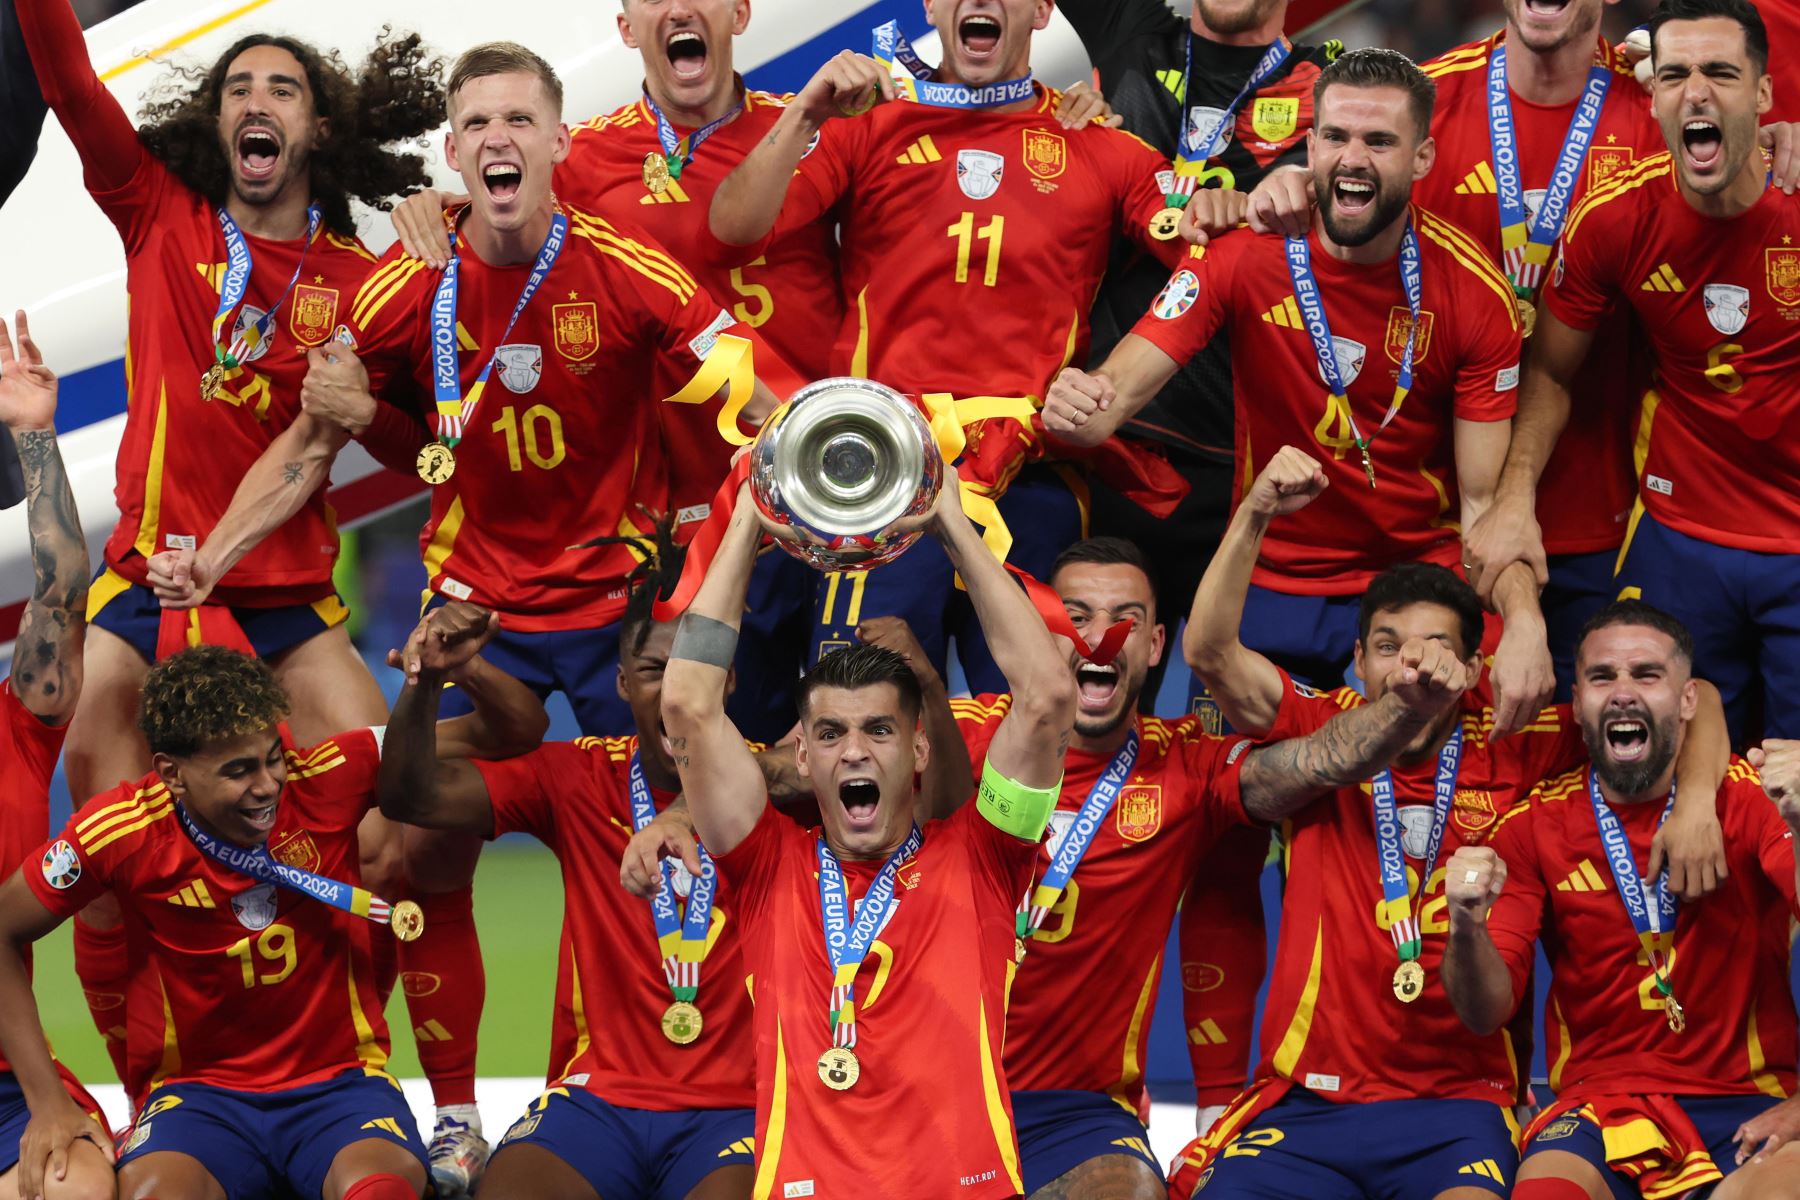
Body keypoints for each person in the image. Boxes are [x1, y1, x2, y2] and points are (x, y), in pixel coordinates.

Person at [157, 40, 784, 1191]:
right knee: (410, 835)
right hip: (476, 613)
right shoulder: (406, 291)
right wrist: (215, 558)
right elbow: (309, 443)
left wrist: (851, 445)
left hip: (611, 612)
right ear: (454, 153)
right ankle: (452, 1114)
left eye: (518, 120)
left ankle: (645, 1090)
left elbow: (752, 382)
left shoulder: (628, 271)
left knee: (676, 854)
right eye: (476, 122)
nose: (497, 138)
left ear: (558, 143)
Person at [13, 0, 445, 1128]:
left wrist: (372, 412)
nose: (255, 102)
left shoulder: (362, 278)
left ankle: (367, 1078)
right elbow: (68, 83)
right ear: (217, 128)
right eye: (237, 90)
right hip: (142, 591)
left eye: (281, 90)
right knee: (110, 867)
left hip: (290, 601)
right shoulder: (159, 211)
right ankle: (157, 1095)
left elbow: (427, 450)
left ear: (317, 131)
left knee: (396, 832)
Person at [1164, 447, 1730, 1200]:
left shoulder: (1517, 739)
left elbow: (1698, 703)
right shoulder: (1322, 724)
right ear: (1358, 660)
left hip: (1461, 1105)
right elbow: (1206, 650)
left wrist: (1694, 804)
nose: (1410, 665)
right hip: (1309, 1102)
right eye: (1388, 647)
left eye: (1435, 648)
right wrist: (1256, 513)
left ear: (1471, 668)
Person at [950, 535, 1502, 1199]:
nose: (1099, 639)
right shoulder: (953, 739)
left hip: (1078, 1111)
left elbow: (1317, 762)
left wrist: (1507, 623)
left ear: (1154, 647)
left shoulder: (1189, 766)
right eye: (1075, 617)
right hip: (933, 1085)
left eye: (1124, 619)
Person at [1046, 47, 1554, 736]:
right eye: (1337, 137)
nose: (1354, 158)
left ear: (1423, 158)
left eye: (1380, 141)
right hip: (1268, 576)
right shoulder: (1239, 252)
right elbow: (1110, 401)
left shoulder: (1474, 294)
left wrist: (1525, 622)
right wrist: (1076, 399)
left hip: (1409, 582)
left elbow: (1485, 508)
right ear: (1309, 145)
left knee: (1438, 779)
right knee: (1234, 801)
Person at [706, 2, 1187, 696]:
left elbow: (1210, 264)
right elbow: (733, 229)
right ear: (931, 5)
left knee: (1035, 715)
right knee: (863, 713)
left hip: (1031, 480)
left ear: (1043, 9)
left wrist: (1115, 383)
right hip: (880, 479)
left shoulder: (1102, 144)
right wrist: (807, 113)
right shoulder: (866, 125)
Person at [658, 463, 1073, 1198]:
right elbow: (689, 704)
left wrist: (952, 525)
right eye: (831, 732)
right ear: (804, 753)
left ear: (917, 748)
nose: (854, 749)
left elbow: (1044, 698)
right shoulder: (764, 864)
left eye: (880, 729)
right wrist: (749, 518)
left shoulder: (987, 855)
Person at [373, 575, 829, 1200]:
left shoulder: (786, 788)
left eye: (693, 670)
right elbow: (411, 796)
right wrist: (427, 683)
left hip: (738, 1103)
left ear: (726, 679)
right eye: (651, 670)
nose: (673, 692)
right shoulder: (577, 775)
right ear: (620, 684)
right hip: (596, 1100)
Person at [1467, 0, 1800, 744]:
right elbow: (1551, 373)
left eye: (1720, 72)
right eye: (1675, 74)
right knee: (1663, 778)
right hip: (1682, 536)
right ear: (1653, 97)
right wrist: (1515, 497)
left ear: (1765, 95)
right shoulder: (1614, 218)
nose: (1697, 93)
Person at [0, 646, 430, 1200]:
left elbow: (490, 735)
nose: (269, 784)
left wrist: (432, 680)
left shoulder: (325, 775)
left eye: (273, 757)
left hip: (339, 1089)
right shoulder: (120, 831)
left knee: (382, 1192)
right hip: (198, 1101)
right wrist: (49, 1103)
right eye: (239, 770)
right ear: (172, 775)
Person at [1442, 601, 1800, 1200]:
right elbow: (1484, 1012)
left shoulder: (1751, 799)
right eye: (1603, 678)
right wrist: (1464, 927)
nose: (1624, 693)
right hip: (1596, 1108)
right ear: (1577, 703)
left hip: (1748, 1098)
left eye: (1647, 675)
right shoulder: (1534, 824)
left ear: (1689, 700)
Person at [1059, 0, 1343, 668]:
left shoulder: (1335, 86)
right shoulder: (1133, 31)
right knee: (1096, 707)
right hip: (1118, 449)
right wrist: (1051, 110)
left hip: (1251, 469)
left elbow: (1415, 136)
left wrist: (1290, 191)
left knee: (1247, 721)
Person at [1412, 0, 1661, 698]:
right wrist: (1282, 183)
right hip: (1440, 522)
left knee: (1600, 775)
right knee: (1447, 777)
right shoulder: (1422, 100)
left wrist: (1781, 136)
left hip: (1618, 520)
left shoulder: (1661, 108)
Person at [0, 311, 111, 1200]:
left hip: (10, 1086)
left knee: (75, 1188)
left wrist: (35, 439)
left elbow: (64, 592)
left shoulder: (17, 727)